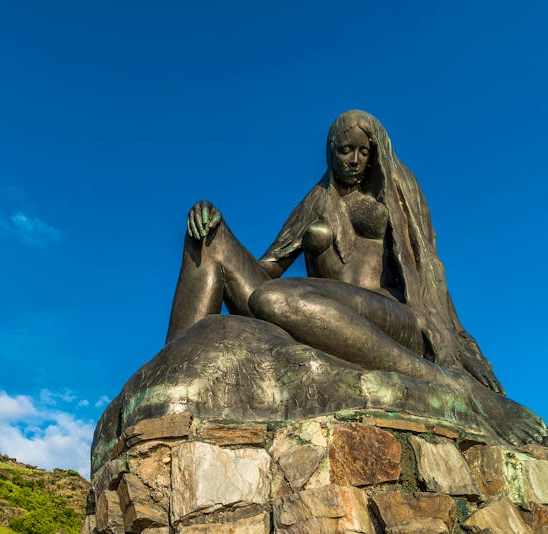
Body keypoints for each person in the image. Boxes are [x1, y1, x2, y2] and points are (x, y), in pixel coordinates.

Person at [167, 109, 546, 445]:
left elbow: (427, 271)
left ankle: (453, 388)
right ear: (331, 149)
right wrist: (208, 215)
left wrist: (456, 341)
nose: (354, 160)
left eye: (364, 152)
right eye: (345, 150)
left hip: (391, 315)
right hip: (323, 304)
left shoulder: (394, 190)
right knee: (209, 240)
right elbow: (269, 269)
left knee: (273, 299)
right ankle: (170, 381)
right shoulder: (316, 200)